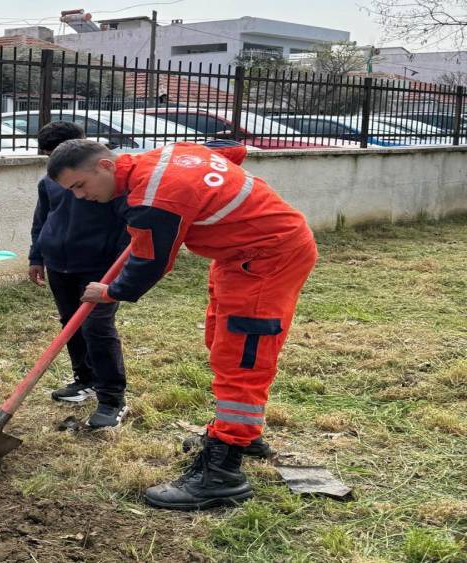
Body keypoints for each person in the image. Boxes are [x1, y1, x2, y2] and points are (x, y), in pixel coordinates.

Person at [45, 139, 317, 510]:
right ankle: (242, 434)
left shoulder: (153, 199)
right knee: (220, 341)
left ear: (106, 166)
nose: (80, 196)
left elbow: (150, 262)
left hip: (267, 259)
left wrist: (110, 291)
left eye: (80, 185)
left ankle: (223, 471)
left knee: (241, 358)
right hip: (236, 257)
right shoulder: (165, 156)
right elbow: (230, 151)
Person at [28, 122, 130, 429]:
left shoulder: (111, 183)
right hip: (59, 264)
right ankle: (85, 380)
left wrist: (117, 273)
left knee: (97, 326)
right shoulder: (50, 183)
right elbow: (42, 219)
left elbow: (127, 230)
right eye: (49, 155)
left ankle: (112, 398)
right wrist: (36, 256)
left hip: (99, 267)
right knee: (70, 324)